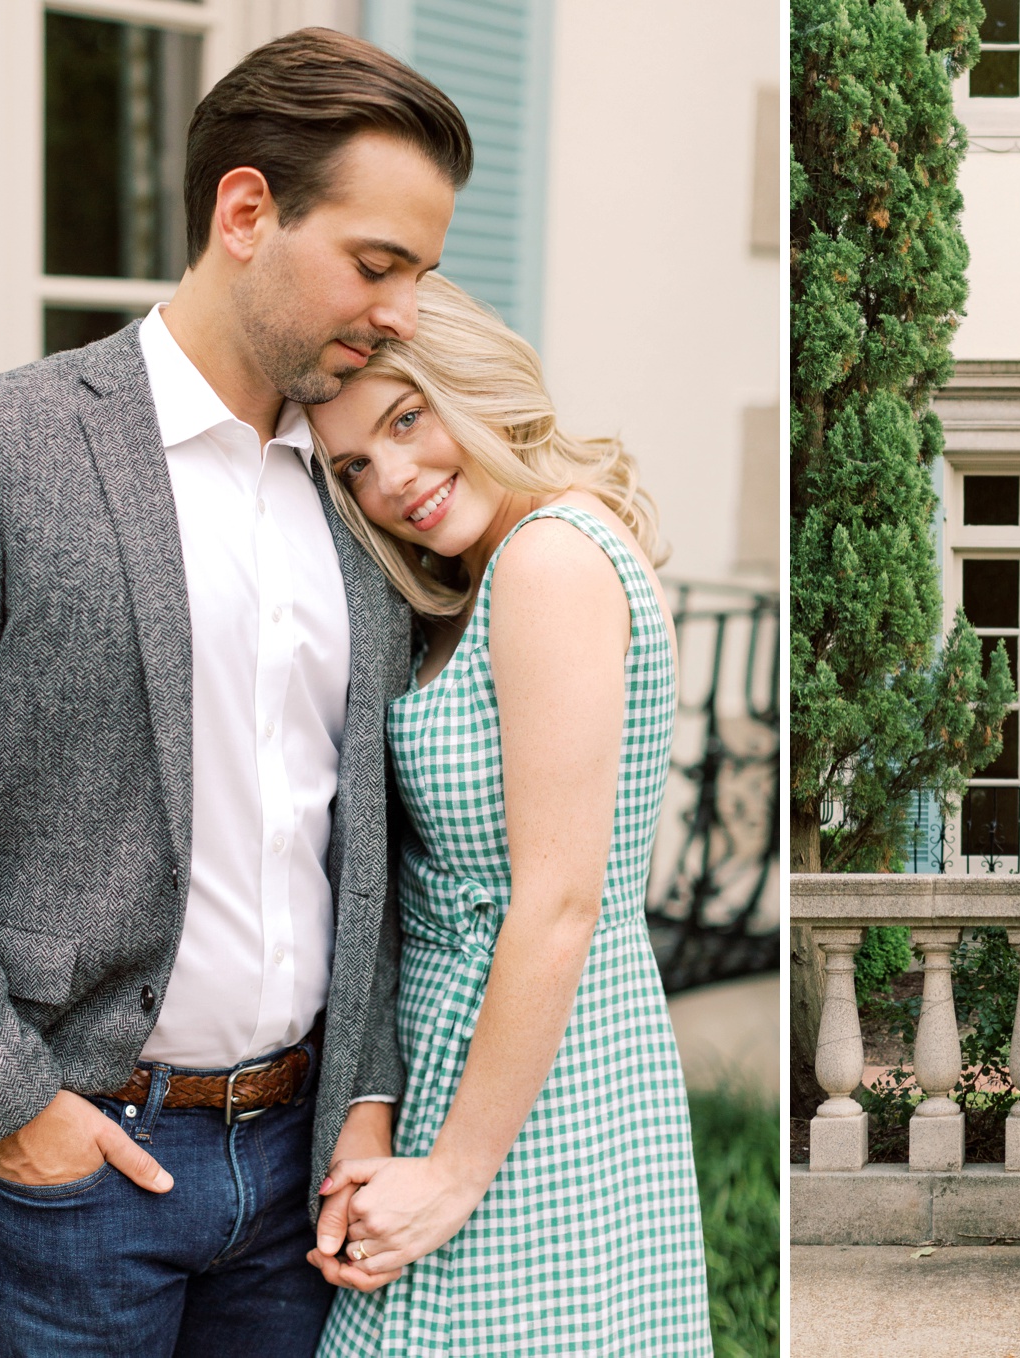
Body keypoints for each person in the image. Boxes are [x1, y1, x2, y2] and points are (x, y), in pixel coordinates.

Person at [0, 30, 468, 1355]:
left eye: (421, 274)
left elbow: (375, 822)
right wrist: (7, 1103)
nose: (402, 312)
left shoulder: (364, 492)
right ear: (244, 211)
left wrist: (369, 1085)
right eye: (376, 264)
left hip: (300, 1172)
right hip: (77, 1167)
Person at [301, 273, 712, 1353]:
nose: (394, 479)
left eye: (406, 417)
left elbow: (563, 898)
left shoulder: (549, 558)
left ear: (470, 381)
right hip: (475, 1050)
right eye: (353, 464)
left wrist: (452, 1173)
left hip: (539, 1075)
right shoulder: (476, 576)